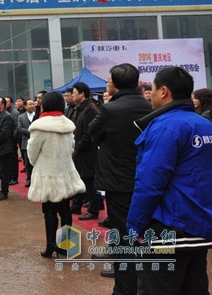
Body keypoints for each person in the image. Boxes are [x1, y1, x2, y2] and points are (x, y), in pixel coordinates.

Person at [127, 66, 212, 295]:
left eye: (152, 89)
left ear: (164, 91)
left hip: (169, 228)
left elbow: (149, 184)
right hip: (200, 228)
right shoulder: (205, 125)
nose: (150, 95)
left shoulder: (165, 127)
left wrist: (134, 227)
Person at [89, 63, 153, 291]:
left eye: (108, 81)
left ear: (114, 85)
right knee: (143, 233)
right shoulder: (149, 106)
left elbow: (92, 133)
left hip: (117, 182)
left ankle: (125, 287)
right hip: (146, 181)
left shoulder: (110, 110)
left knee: (122, 235)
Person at [27, 91, 85, 258]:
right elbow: (71, 148)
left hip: (47, 174)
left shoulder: (40, 126)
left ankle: (51, 245)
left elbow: (32, 154)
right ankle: (68, 245)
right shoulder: (67, 124)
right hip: (65, 172)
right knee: (65, 211)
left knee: (49, 212)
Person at [70, 82, 102, 220]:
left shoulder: (90, 109)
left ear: (82, 94)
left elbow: (88, 134)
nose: (72, 95)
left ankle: (94, 210)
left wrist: (77, 149)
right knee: (83, 181)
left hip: (87, 153)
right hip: (81, 153)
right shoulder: (80, 108)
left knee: (89, 182)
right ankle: (77, 206)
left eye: (74, 92)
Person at [17, 99, 36, 187]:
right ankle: (29, 179)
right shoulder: (21, 117)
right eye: (29, 104)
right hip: (26, 142)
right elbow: (19, 128)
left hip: (36, 141)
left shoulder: (38, 115)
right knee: (27, 162)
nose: (32, 106)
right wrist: (30, 132)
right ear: (25, 106)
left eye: (33, 104)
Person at [5, 96, 20, 185]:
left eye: (7, 102)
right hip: (5, 140)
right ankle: (9, 176)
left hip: (11, 140)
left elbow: (16, 127)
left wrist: (12, 137)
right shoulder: (4, 112)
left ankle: (14, 177)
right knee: (7, 160)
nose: (5, 104)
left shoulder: (15, 113)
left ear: (11, 103)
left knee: (13, 160)